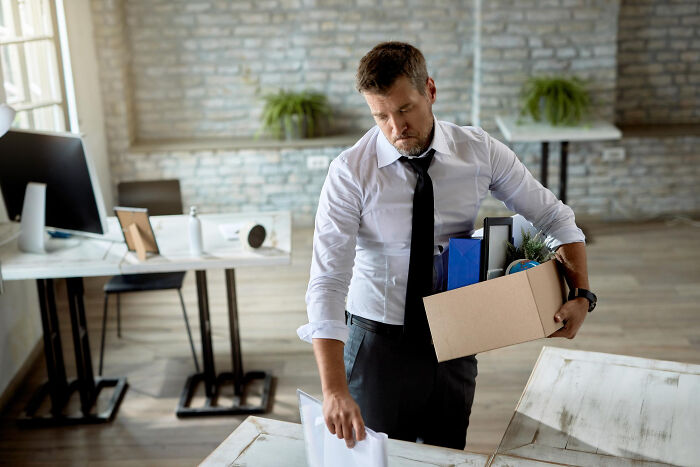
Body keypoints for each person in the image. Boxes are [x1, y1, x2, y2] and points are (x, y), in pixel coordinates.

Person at [297, 41, 595, 451]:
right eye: (380, 116)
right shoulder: (350, 172)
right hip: (379, 343)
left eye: (405, 110)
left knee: (446, 454)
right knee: (380, 457)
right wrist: (332, 391)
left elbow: (555, 218)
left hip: (457, 334)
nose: (395, 128)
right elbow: (328, 282)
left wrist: (581, 294)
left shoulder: (478, 151)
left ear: (430, 91)